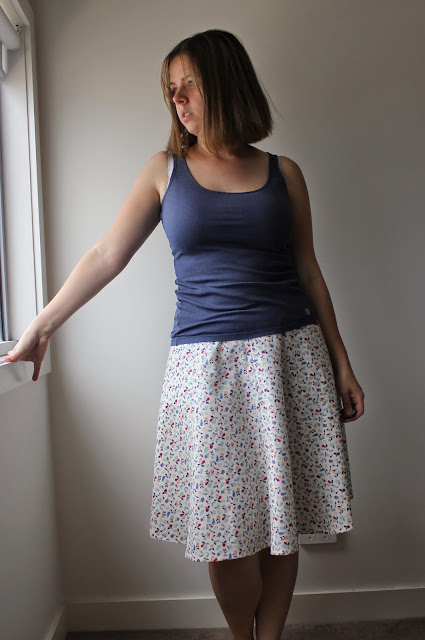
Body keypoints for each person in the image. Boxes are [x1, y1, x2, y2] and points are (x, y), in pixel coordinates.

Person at [4, 29, 364, 640]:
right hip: (207, 369)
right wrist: (41, 324)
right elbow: (105, 255)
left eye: (188, 86)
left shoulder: (286, 173)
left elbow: (309, 270)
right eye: (171, 90)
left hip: (289, 358)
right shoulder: (164, 171)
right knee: (226, 535)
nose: (177, 101)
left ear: (224, 83)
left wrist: (342, 365)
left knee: (282, 523)